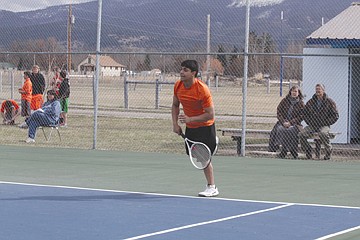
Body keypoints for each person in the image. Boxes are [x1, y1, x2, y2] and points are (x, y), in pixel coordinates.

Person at [172, 60, 219, 197]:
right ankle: (212, 145)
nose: (181, 72)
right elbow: (175, 105)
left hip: (206, 126)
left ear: (194, 73)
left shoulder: (202, 90)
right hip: (190, 127)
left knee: (204, 157)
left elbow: (210, 114)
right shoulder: (178, 86)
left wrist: (190, 119)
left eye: (185, 70)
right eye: (181, 69)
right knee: (195, 154)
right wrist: (175, 124)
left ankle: (212, 187)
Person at [299, 84, 339, 160]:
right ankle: (308, 150)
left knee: (323, 133)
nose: (317, 91)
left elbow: (335, 115)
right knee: (302, 134)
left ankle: (328, 150)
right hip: (313, 125)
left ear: (323, 90)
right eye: (316, 89)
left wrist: (326, 122)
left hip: (324, 125)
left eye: (319, 89)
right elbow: (304, 113)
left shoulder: (329, 102)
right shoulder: (311, 102)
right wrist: (309, 122)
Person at [269, 86, 305, 159]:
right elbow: (279, 112)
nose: (294, 93)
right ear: (290, 92)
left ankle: (290, 150)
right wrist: (283, 122)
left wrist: (290, 123)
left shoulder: (301, 103)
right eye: (293, 91)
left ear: (298, 93)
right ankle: (283, 149)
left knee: (290, 130)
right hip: (283, 123)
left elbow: (301, 116)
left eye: (296, 91)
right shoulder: (284, 101)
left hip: (295, 124)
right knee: (280, 129)